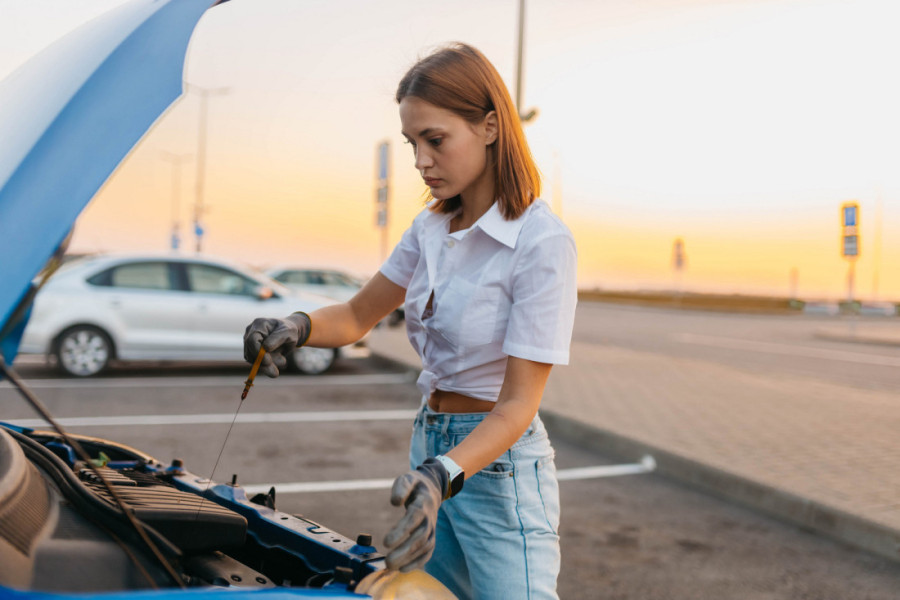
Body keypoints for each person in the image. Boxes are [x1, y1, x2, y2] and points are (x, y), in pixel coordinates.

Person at [243, 43, 577, 599]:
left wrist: (441, 475)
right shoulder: (430, 227)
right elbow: (355, 315)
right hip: (431, 448)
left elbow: (519, 404)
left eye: (435, 140)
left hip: (495, 469)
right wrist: (295, 325)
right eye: (412, 143)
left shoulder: (540, 242)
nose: (421, 160)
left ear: (491, 127)